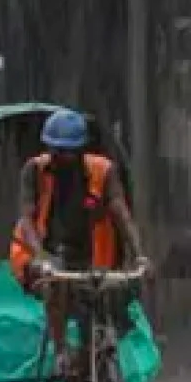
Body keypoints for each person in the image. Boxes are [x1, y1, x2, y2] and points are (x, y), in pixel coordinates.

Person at [8, 108, 149, 355]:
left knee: (108, 296)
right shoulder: (34, 171)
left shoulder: (103, 172)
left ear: (81, 150)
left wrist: (139, 256)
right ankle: (61, 352)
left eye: (67, 151)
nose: (59, 156)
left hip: (88, 256)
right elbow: (27, 218)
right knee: (56, 286)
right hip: (42, 253)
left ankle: (94, 358)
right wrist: (40, 255)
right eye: (54, 149)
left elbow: (122, 215)